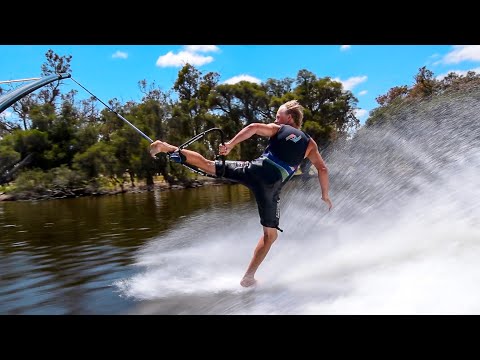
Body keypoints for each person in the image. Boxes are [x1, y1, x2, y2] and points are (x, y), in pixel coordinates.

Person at [150, 100, 332, 287]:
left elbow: (253, 127)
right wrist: (324, 194)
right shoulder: (310, 144)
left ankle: (166, 147)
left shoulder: (278, 129)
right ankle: (248, 277)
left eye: (279, 116)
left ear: (289, 118)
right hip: (270, 187)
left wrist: (230, 144)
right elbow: (322, 169)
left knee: (208, 164)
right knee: (270, 236)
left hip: (254, 170)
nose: (276, 119)